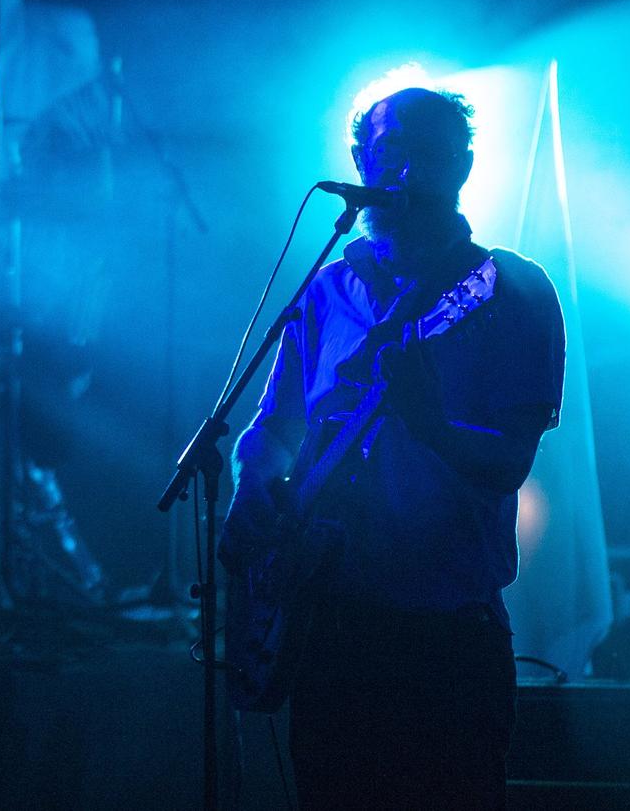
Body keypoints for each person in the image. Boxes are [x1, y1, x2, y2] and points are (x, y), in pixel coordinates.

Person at [222, 86, 564, 809]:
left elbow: (510, 462)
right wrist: (251, 485)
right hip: (331, 631)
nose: (408, 174)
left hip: (445, 644)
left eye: (431, 155)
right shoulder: (327, 290)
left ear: (466, 165)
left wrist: (433, 425)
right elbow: (273, 428)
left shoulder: (515, 291)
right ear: (360, 160)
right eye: (392, 153)